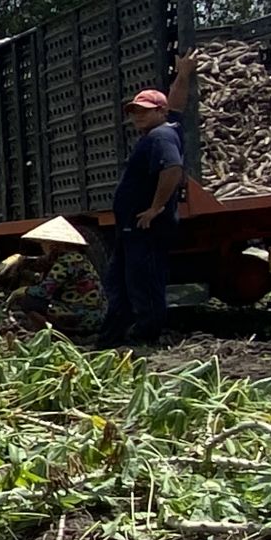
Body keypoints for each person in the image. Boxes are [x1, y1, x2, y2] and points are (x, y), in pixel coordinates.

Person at [96, 53, 194, 348]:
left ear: (158, 112)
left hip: (146, 226)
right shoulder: (167, 125)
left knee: (143, 282)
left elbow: (173, 169)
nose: (137, 115)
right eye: (134, 111)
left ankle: (146, 338)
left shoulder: (160, 137)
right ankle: (112, 338)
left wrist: (156, 207)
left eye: (144, 111)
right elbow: (176, 103)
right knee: (120, 281)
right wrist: (184, 74)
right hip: (132, 226)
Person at [10, 217, 104, 337]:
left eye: (43, 243)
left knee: (29, 302)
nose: (42, 247)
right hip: (94, 312)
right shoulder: (76, 257)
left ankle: (49, 336)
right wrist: (22, 260)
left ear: (53, 245)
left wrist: (22, 291)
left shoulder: (66, 262)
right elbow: (41, 262)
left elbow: (43, 291)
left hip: (83, 315)